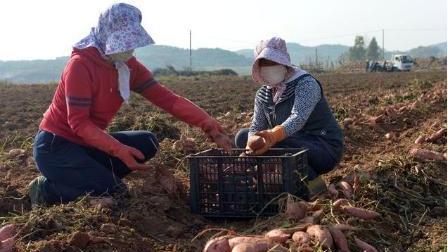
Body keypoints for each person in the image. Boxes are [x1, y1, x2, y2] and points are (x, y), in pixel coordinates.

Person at [29, 3, 232, 207]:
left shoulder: (127, 67)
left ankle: (91, 176)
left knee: (148, 143)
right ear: (107, 36)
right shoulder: (80, 66)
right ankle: (47, 190)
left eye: (130, 43)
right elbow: (79, 124)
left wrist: (208, 123)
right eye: (123, 43)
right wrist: (118, 150)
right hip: (57, 147)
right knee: (117, 192)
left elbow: (168, 99)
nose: (128, 49)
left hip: (88, 144)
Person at [235, 37, 344, 188]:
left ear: (284, 62)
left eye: (273, 62)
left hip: (322, 147)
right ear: (259, 68)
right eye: (265, 64)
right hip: (292, 144)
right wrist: (250, 147)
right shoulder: (263, 94)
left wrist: (274, 135)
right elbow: (256, 125)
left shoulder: (306, 84)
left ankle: (313, 181)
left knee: (278, 142)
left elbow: (298, 117)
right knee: (242, 136)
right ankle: (280, 175)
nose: (270, 67)